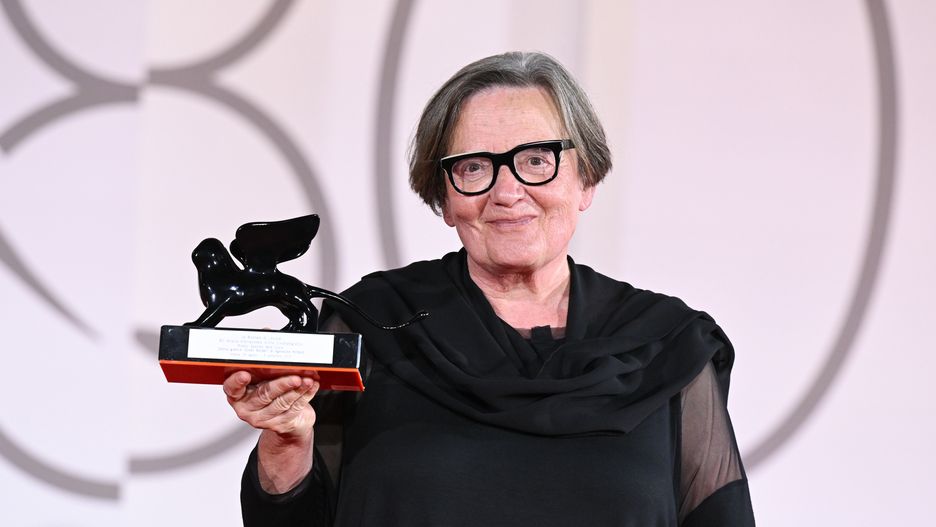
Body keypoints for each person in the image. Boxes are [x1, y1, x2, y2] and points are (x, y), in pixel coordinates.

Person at [224, 51, 755, 526]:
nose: (508, 192)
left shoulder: (668, 345)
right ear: (443, 198)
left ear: (586, 180)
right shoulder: (372, 322)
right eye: (474, 167)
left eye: (536, 161)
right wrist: (286, 441)